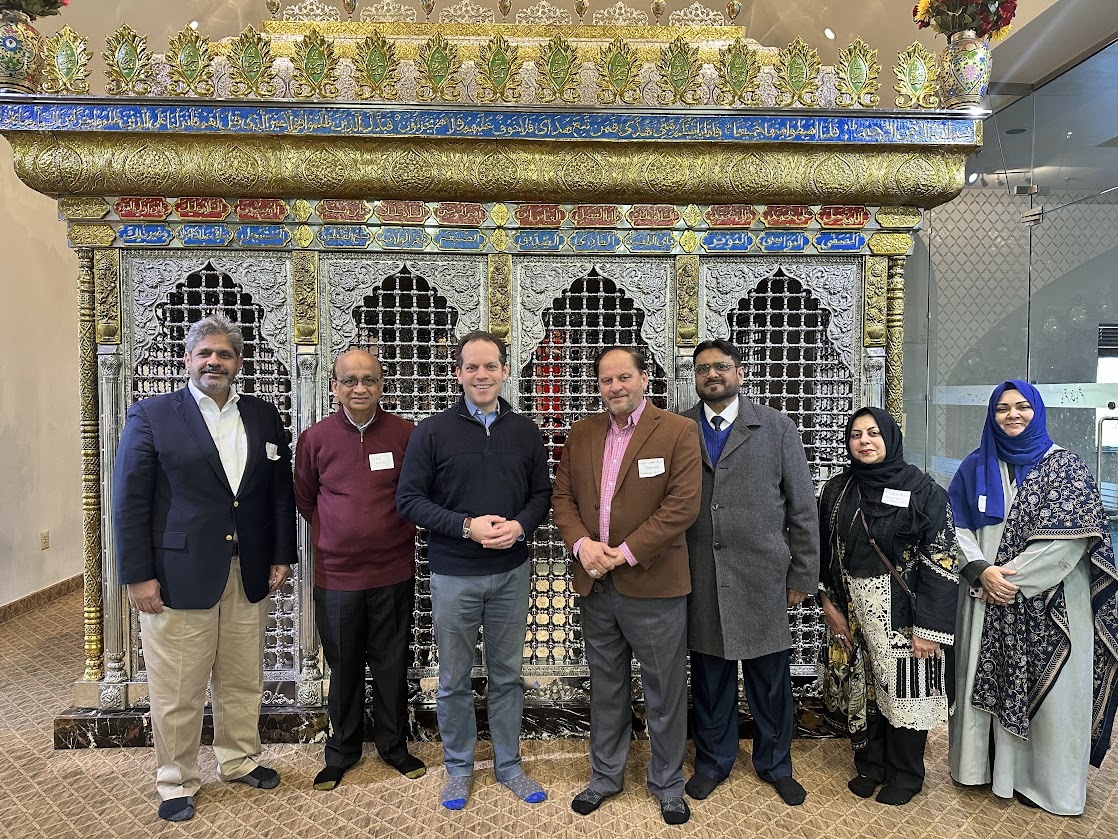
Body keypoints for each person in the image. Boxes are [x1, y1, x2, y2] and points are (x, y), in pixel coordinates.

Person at [112, 314, 296, 823]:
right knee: (177, 689)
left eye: (224, 354)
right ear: (188, 359)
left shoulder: (262, 416)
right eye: (204, 353)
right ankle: (176, 780)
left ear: (239, 362)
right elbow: (129, 503)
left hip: (248, 570)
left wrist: (282, 553)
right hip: (176, 575)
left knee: (241, 679)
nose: (214, 361)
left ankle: (239, 761)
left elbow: (278, 494)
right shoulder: (152, 416)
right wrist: (137, 574)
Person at [396, 331, 552, 810]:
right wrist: (466, 527)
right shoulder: (433, 430)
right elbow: (409, 501)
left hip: (510, 572)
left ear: (505, 371)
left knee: (507, 676)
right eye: (471, 367)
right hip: (454, 574)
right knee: (453, 679)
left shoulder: (526, 430)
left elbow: (541, 496)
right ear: (458, 373)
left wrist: (520, 527)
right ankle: (459, 768)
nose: (481, 376)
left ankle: (508, 766)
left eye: (490, 367)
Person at [948, 380, 1118, 815]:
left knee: (1058, 701)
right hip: (986, 598)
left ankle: (1047, 785)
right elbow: (955, 529)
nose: (1012, 415)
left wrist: (1010, 581)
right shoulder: (973, 467)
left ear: (1037, 411)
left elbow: (1069, 543)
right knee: (983, 686)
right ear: (992, 415)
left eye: (1022, 407)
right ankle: (986, 771)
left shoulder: (1068, 469)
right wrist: (983, 572)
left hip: (1055, 603)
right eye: (1003, 408)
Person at [552, 346, 702, 825]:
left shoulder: (678, 431)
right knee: (607, 687)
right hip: (596, 584)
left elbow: (682, 506)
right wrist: (581, 545)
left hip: (653, 583)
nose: (614, 387)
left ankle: (667, 784)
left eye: (623, 377)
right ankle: (604, 778)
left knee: (664, 690)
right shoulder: (582, 433)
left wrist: (625, 551)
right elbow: (562, 496)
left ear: (644, 379)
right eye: (605, 380)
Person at [681, 340, 819, 806]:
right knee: (710, 679)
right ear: (695, 378)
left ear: (740, 372)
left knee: (770, 681)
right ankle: (713, 762)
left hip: (763, 578)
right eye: (703, 369)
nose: (712, 375)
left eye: (721, 366)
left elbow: (802, 508)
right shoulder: (680, 428)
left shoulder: (775, 427)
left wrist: (802, 575)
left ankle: (776, 764)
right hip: (701, 576)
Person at [294, 349, 425, 791]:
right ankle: (342, 751)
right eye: (349, 380)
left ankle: (394, 747)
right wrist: (340, 532)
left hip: (393, 571)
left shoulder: (405, 434)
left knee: (391, 663)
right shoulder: (315, 439)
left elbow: (416, 494)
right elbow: (306, 499)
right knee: (344, 666)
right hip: (337, 577)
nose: (359, 388)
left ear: (382, 385)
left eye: (368, 380)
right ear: (334, 386)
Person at [817, 407, 958, 806]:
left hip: (904, 615)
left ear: (891, 438)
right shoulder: (838, 489)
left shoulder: (923, 491)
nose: (864, 441)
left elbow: (942, 558)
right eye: (856, 434)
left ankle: (906, 773)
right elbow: (825, 552)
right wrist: (830, 604)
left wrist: (929, 628)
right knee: (867, 690)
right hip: (855, 612)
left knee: (906, 693)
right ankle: (870, 765)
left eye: (874, 433)